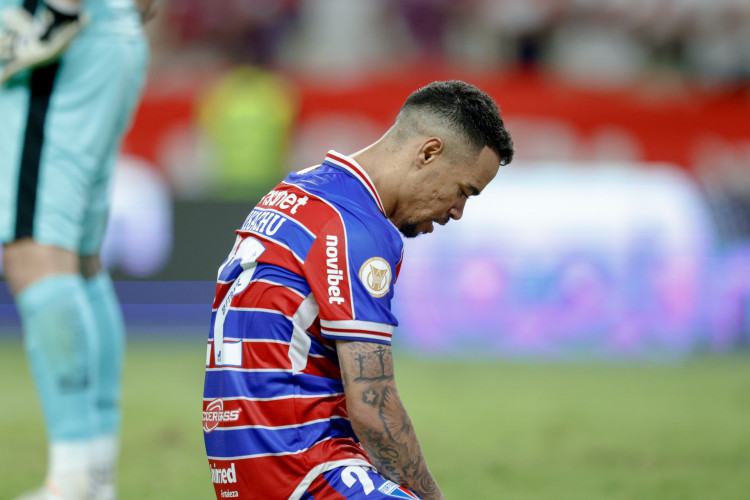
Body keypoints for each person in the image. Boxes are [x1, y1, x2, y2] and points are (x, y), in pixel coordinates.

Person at [202, 80, 514, 500]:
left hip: (241, 464)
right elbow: (373, 409)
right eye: (463, 191)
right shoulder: (357, 228)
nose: (457, 212)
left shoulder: (298, 190)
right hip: (301, 467)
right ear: (428, 152)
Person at [0, 0, 150, 499]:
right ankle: (94, 477)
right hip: (110, 31)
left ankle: (72, 481)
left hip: (61, 41)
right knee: (80, 263)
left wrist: (54, 13)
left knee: (36, 253)